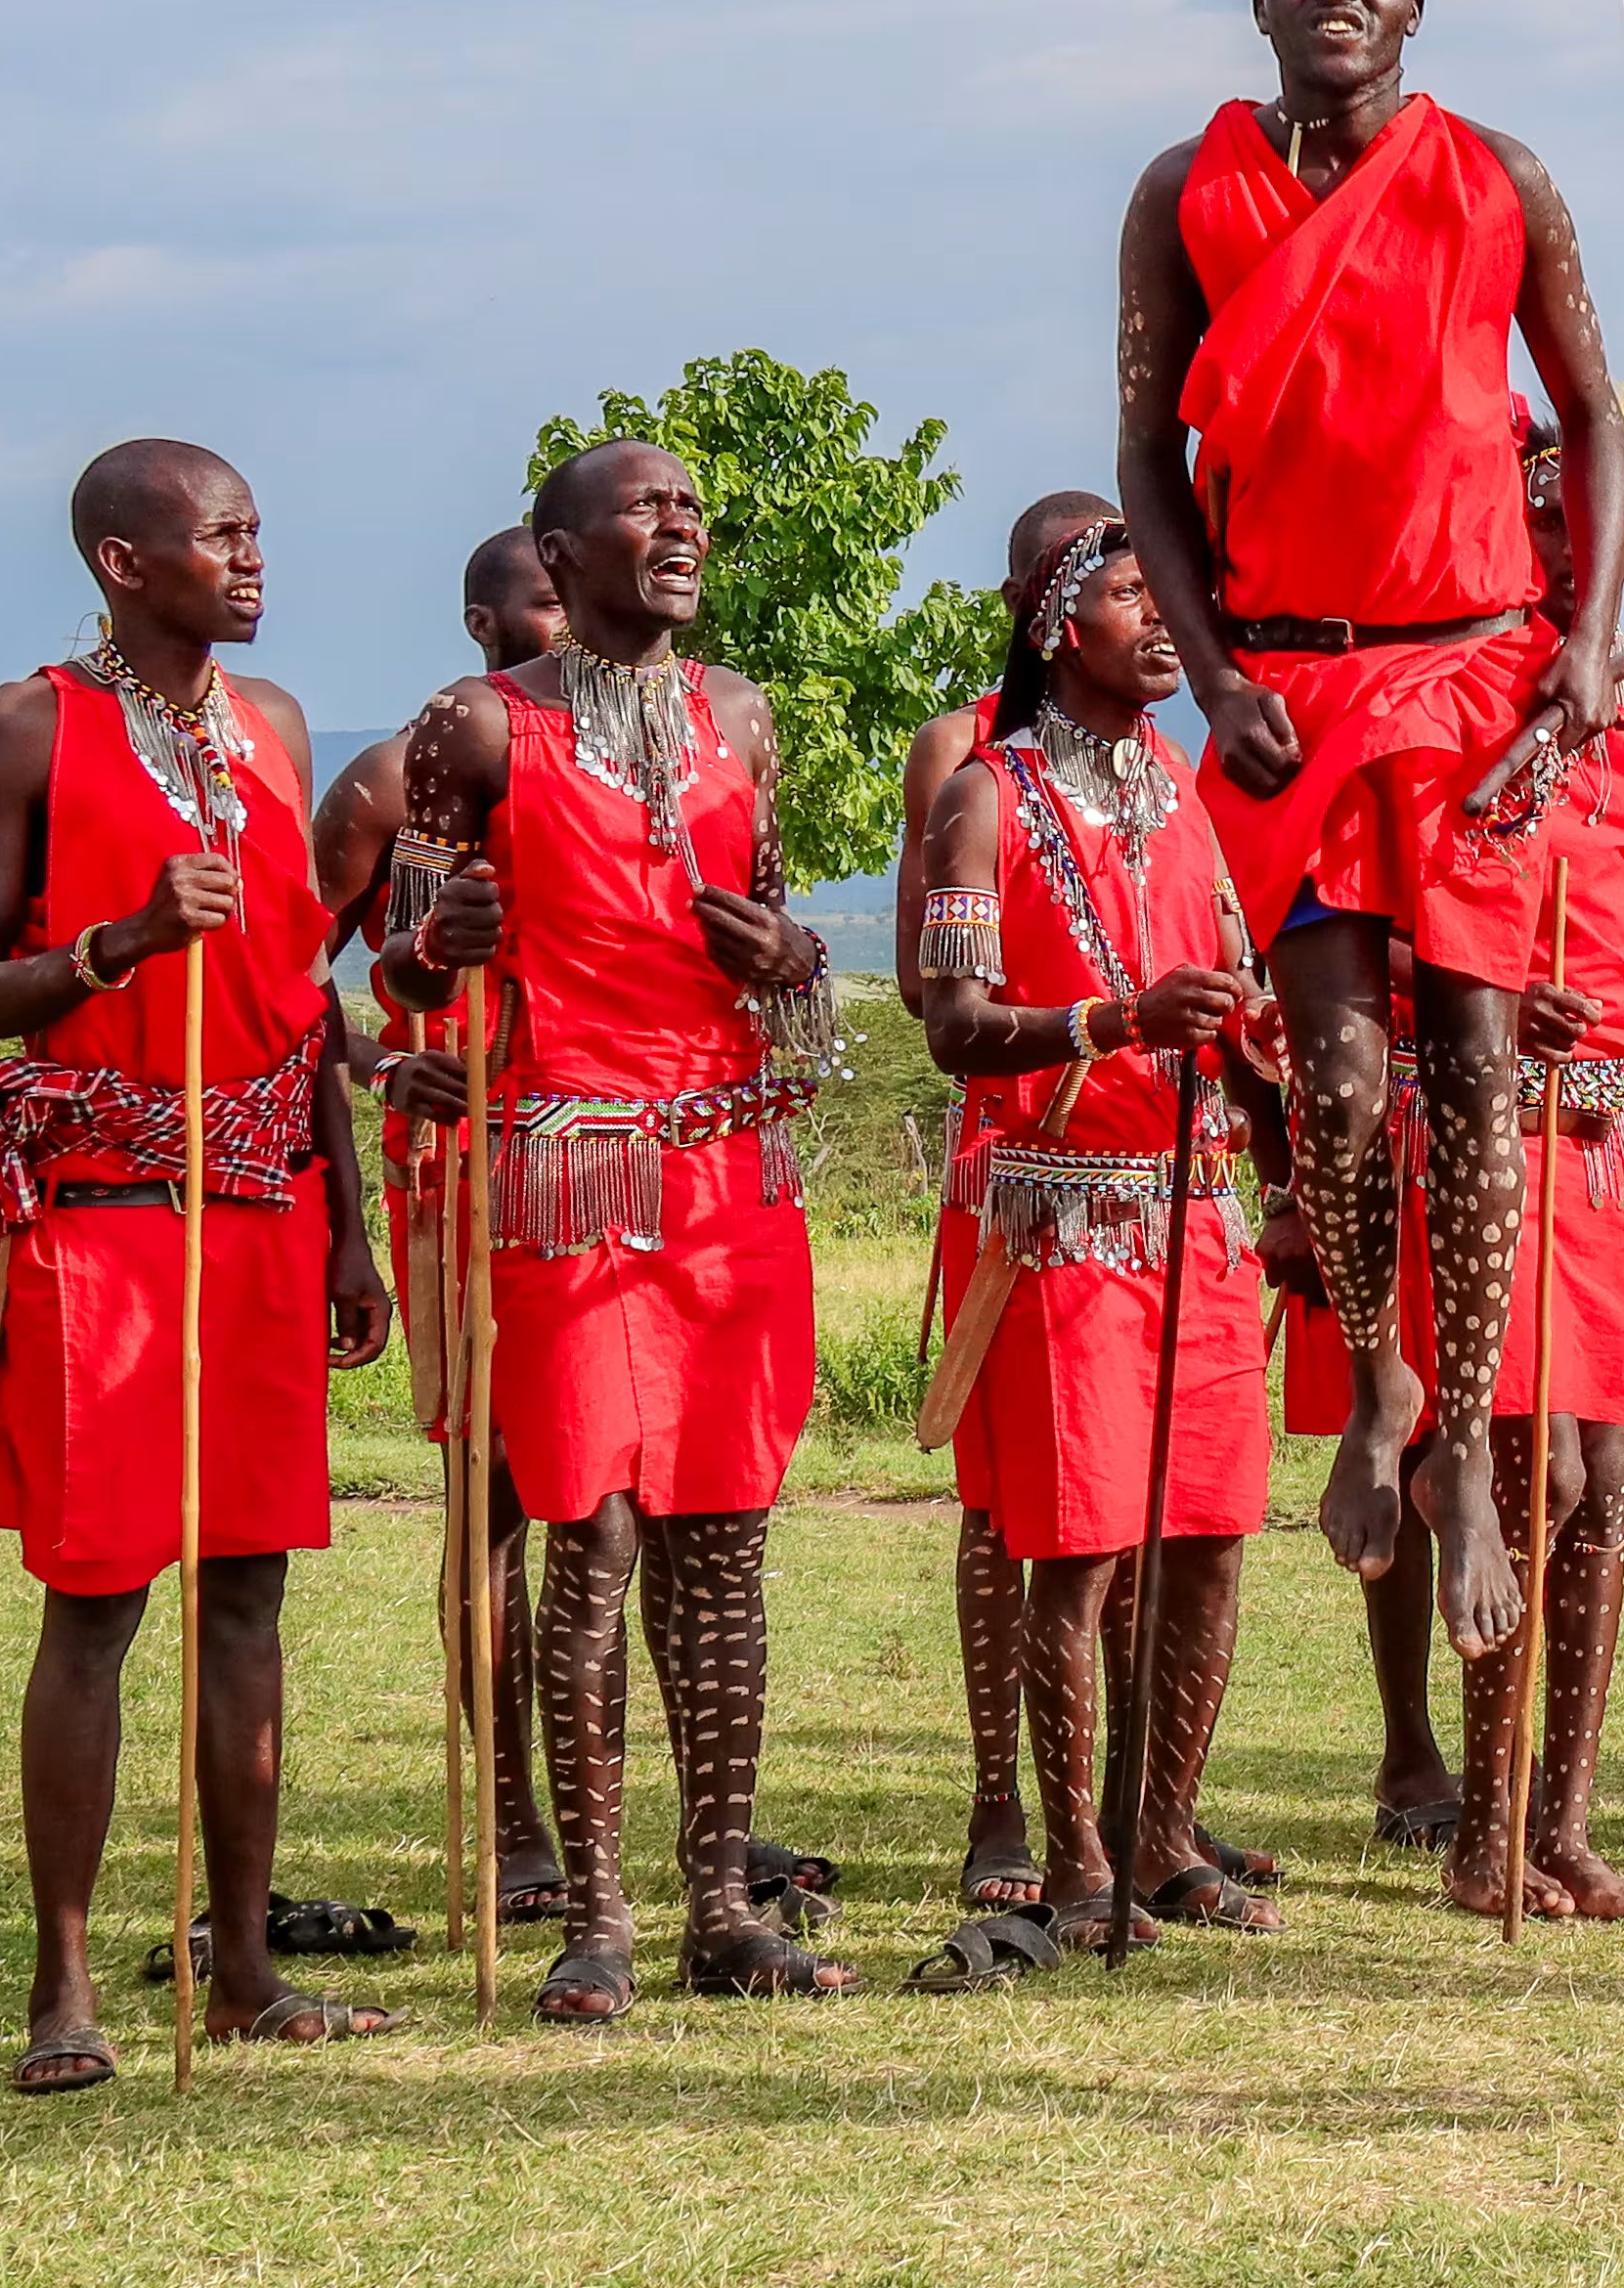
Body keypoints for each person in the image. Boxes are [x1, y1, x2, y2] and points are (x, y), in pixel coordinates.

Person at [1116, 0, 1624, 1647]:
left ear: (1418, 3)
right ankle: (1384, 1380)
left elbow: (1588, 415)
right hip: (1292, 688)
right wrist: (1208, 673)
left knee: (1478, 1061)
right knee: (1332, 1082)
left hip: (1479, 668)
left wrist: (1578, 646)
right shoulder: (1182, 195)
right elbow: (1145, 463)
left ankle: (1467, 1442)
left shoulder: (1501, 177)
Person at [0, 442, 392, 2091]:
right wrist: (115, 943)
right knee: (101, 1595)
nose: (254, 556)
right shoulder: (24, 725)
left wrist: (350, 1219)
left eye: (260, 526)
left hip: (266, 1201)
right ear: (129, 561)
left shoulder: (270, 729)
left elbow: (306, 1000)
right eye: (223, 533)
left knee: (252, 1589)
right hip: (107, 1212)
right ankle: (64, 1981)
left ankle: (247, 1958)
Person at [379, 440, 847, 2012]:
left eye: (693, 508)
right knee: (590, 1544)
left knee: (726, 1549)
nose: (682, 526)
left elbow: (779, 939)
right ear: (560, 558)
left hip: (728, 1188)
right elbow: (404, 963)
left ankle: (723, 1906)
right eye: (646, 509)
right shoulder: (479, 731)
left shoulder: (741, 717)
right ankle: (598, 1916)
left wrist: (790, 958)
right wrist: (439, 945)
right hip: (566, 1182)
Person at [907, 510, 1283, 1955]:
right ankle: (1072, 1859)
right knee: (1077, 1553)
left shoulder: (1181, 788)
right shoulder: (984, 802)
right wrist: (1118, 1019)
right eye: (1136, 599)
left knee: (1209, 1539)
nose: (1164, 627)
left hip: (1196, 1212)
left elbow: (1230, 973)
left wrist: (1267, 1043)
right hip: (1062, 1222)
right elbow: (951, 1029)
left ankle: (1165, 1834)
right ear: (1067, 624)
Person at [1431, 410, 1624, 1922]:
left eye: (1589, 520)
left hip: (1617, 1140)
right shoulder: (1464, 686)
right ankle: (1483, 1830)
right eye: (1537, 516)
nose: (1564, 544)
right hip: (1491, 1131)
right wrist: (1483, 991)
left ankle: (1565, 1822)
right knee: (1525, 1468)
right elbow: (1404, 911)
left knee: (1604, 1483)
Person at [872, 491, 1118, 1920]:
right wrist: (1091, 1022)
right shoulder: (962, 758)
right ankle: (992, 1803)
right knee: (1000, 1500)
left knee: (1131, 1511)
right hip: (1016, 1163)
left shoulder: (1154, 760)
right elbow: (926, 986)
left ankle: (1145, 1812)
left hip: (1148, 1178)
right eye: (1069, 577)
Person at [317, 523, 567, 1926]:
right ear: (484, 623)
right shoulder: (388, 782)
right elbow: (279, 992)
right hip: (469, 1170)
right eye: (544, 607)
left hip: (618, 1166)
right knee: (495, 1503)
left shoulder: (633, 761)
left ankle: (611, 1822)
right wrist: (372, 1061)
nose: (569, 633)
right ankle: (514, 1821)